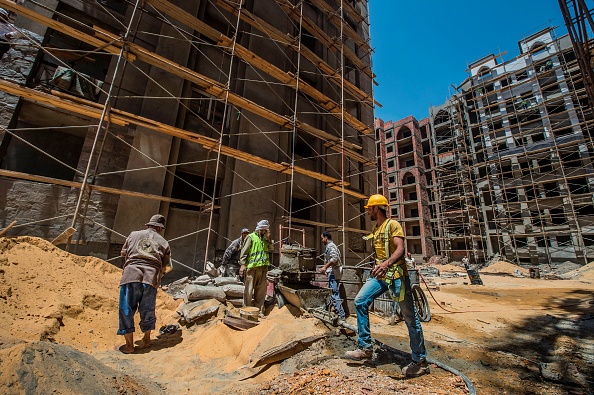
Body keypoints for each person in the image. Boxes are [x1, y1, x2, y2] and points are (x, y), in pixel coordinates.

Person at [345, 194, 429, 378]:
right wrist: (378, 265)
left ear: (376, 209)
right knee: (360, 301)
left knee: (409, 317)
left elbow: (400, 249)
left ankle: (420, 361)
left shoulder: (393, 225)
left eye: (369, 208)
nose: (367, 211)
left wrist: (385, 264)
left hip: (397, 275)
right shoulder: (376, 228)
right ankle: (365, 347)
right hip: (381, 275)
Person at [117, 214, 171, 354]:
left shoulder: (134, 235)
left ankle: (129, 345)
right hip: (150, 278)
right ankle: (146, 340)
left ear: (148, 225)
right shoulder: (164, 242)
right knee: (147, 309)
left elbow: (124, 253)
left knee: (126, 309)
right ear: (160, 228)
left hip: (131, 275)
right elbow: (165, 266)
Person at [240, 219, 273, 316]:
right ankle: (246, 310)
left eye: (266, 231)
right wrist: (243, 264)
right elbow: (244, 252)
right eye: (264, 230)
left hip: (263, 269)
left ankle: (258, 311)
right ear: (260, 229)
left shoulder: (265, 240)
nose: (265, 232)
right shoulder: (251, 237)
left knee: (261, 292)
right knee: (249, 291)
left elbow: (271, 249)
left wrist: (269, 238)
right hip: (252, 269)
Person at [319, 231, 345, 320]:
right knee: (331, 292)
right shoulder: (328, 246)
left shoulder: (331, 246)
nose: (322, 240)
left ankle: (341, 316)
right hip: (332, 272)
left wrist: (325, 267)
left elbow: (334, 258)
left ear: (326, 238)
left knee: (334, 292)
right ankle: (326, 309)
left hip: (334, 272)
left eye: (322, 238)